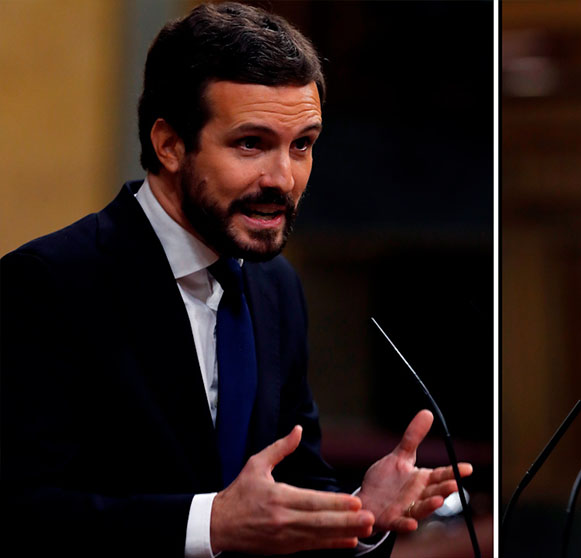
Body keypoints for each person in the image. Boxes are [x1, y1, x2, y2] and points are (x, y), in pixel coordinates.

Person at [0, 3, 471, 557]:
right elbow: (21, 514)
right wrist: (210, 525)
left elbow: (289, 484)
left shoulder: (277, 288)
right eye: (251, 144)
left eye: (302, 145)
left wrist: (358, 516)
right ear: (170, 144)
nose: (283, 178)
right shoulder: (47, 284)